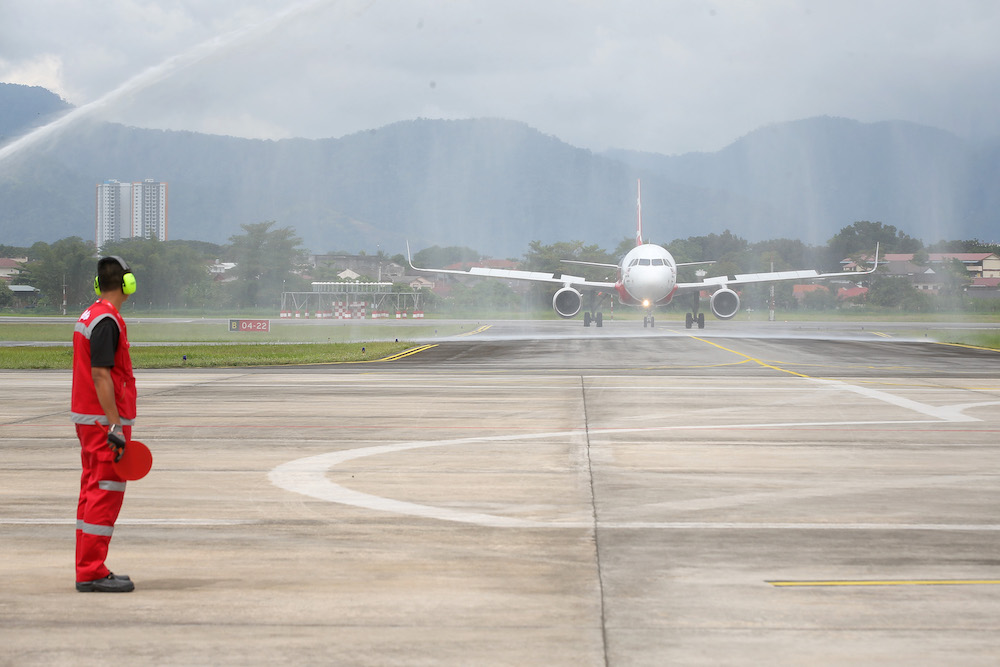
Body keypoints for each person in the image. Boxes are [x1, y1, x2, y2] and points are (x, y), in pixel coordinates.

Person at [71, 256, 138, 593]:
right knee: (105, 492)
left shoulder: (92, 316)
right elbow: (100, 374)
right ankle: (91, 571)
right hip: (103, 423)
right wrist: (115, 426)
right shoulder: (106, 321)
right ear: (127, 284)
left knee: (91, 489)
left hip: (89, 419)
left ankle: (89, 566)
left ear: (99, 285)